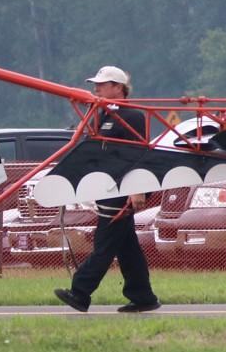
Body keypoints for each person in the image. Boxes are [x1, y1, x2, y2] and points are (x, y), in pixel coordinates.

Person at [54, 65, 162, 313]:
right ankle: (143, 296)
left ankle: (80, 292)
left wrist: (137, 189)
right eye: (97, 84)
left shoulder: (133, 116)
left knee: (104, 245)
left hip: (123, 190)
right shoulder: (106, 114)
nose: (96, 88)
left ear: (118, 88)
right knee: (127, 247)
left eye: (102, 85)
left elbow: (138, 154)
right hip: (109, 188)